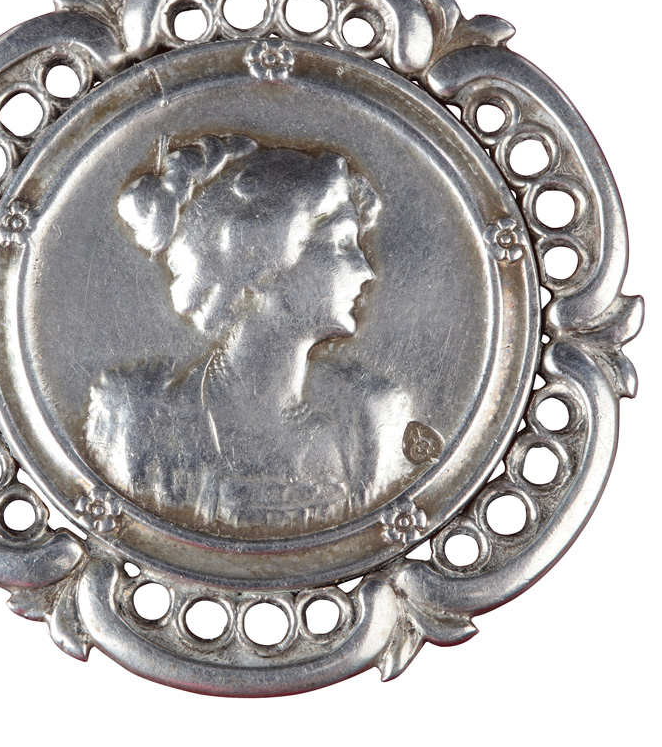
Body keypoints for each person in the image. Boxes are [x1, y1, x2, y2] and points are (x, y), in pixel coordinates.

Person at [85, 135, 435, 537]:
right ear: (261, 260)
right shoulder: (140, 427)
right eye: (342, 243)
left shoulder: (369, 422)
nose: (366, 270)